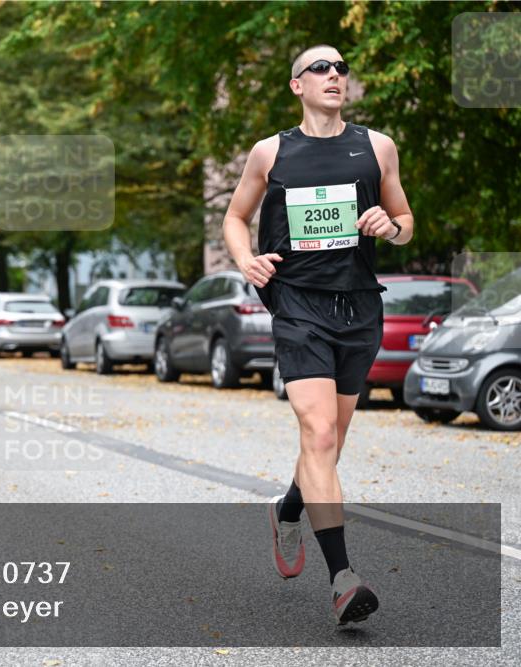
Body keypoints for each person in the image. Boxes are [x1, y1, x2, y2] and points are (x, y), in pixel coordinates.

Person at [222, 45, 413, 626]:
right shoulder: (270, 152)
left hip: (358, 308)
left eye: (342, 69)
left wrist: (392, 224)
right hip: (299, 305)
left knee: (328, 446)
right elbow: (235, 218)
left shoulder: (377, 147)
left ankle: (288, 507)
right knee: (320, 431)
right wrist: (246, 259)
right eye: (321, 69)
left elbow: (405, 222)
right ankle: (344, 578)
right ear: (296, 85)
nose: (335, 76)